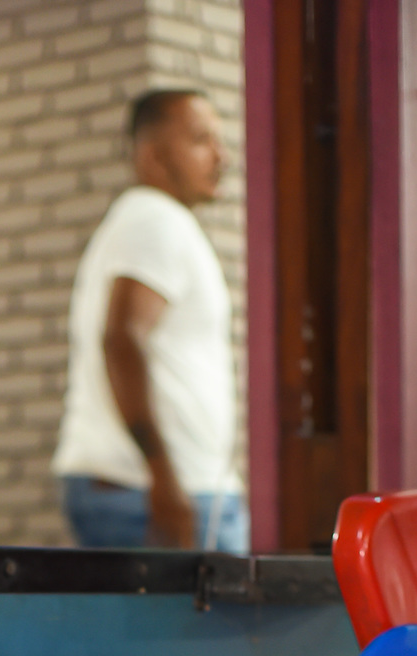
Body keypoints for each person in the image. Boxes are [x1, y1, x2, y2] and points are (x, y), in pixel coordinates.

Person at [53, 88, 248, 555]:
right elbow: (122, 339)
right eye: (201, 140)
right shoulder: (154, 220)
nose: (220, 157)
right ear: (155, 156)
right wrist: (162, 475)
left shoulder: (154, 221)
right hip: (150, 492)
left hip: (160, 487)